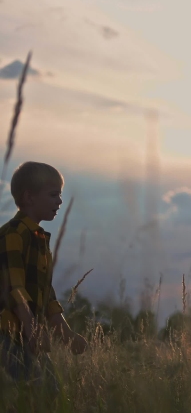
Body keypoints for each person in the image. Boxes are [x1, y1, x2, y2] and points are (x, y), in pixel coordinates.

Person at [0, 162, 88, 387]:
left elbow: (46, 295)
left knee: (50, 391)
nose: (60, 201)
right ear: (29, 197)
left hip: (23, 333)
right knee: (36, 390)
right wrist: (32, 330)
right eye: (53, 195)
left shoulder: (40, 240)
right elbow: (15, 289)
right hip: (6, 332)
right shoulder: (13, 235)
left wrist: (66, 335)